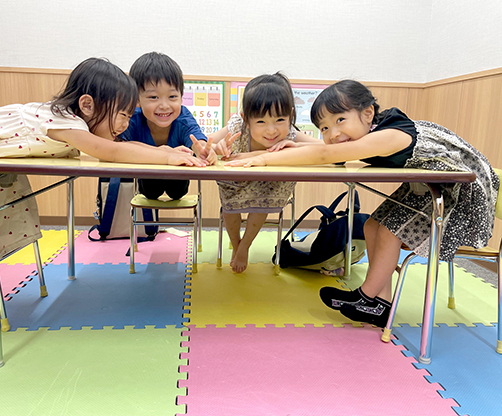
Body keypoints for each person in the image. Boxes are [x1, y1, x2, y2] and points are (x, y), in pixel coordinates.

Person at [226, 79, 499, 327]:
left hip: (457, 193)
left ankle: (365, 297)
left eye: (340, 120)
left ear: (368, 113)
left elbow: (328, 155)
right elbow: (333, 152)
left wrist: (263, 158)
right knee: (371, 225)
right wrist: (290, 149)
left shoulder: (389, 135)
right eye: (324, 128)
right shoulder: (370, 134)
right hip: (425, 187)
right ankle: (381, 304)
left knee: (390, 232)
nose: (333, 133)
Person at [0, 57, 205, 262]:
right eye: (122, 115)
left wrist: (166, 152)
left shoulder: (75, 124)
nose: (126, 124)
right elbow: (112, 151)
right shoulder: (65, 123)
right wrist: (166, 157)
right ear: (87, 105)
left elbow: (120, 146)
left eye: (129, 117)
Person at [210, 72, 320, 273]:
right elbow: (206, 143)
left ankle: (245, 246)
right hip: (236, 183)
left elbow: (325, 149)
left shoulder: (291, 133)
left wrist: (296, 147)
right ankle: (236, 244)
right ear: (246, 119)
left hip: (269, 187)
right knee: (229, 206)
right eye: (261, 122)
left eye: (280, 119)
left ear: (290, 115)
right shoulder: (237, 126)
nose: (271, 130)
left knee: (263, 202)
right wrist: (217, 147)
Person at [121, 51, 216, 201]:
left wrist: (202, 150)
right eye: (154, 97)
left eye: (172, 97)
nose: (164, 106)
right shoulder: (132, 119)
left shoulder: (183, 117)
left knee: (177, 193)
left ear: (181, 97)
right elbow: (118, 144)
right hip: (148, 177)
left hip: (178, 178)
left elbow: (196, 137)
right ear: (137, 100)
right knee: (150, 193)